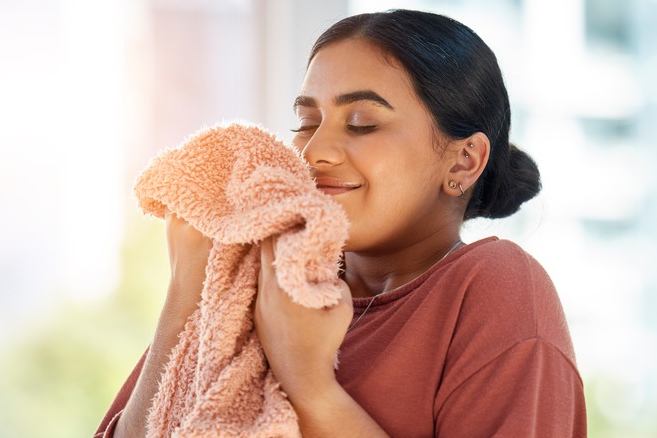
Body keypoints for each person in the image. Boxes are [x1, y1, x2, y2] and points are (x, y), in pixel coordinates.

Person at [94, 9, 586, 438]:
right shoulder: (262, 277)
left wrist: (309, 385)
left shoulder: (495, 286)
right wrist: (186, 294)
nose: (314, 152)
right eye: (307, 123)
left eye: (362, 124)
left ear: (462, 162)